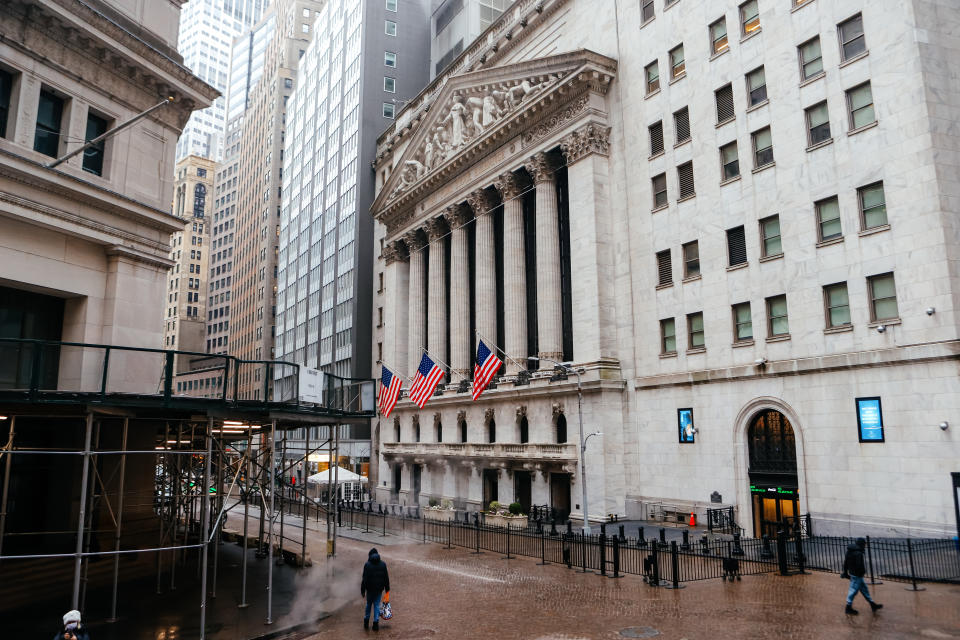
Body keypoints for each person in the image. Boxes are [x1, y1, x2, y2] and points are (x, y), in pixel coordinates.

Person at [841, 537, 883, 615]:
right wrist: (861, 573)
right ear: (861, 544)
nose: (865, 546)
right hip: (857, 575)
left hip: (854, 574)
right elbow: (859, 565)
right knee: (853, 591)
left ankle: (872, 604)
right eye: (864, 544)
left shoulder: (849, 551)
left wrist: (845, 572)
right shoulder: (858, 553)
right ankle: (848, 608)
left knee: (864, 589)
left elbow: (845, 562)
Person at [360, 547, 390, 631]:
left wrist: (363, 590)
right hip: (379, 589)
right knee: (377, 605)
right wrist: (387, 589)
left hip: (369, 590)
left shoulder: (367, 565)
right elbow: (386, 578)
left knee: (368, 604)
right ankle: (375, 624)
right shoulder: (383, 564)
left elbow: (364, 579)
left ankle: (366, 621)